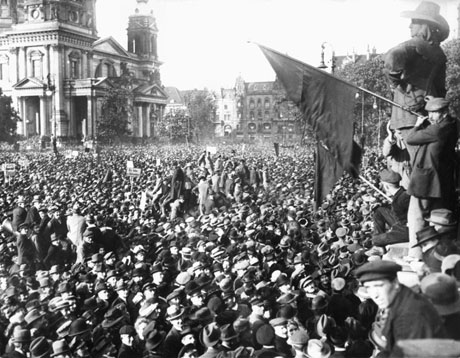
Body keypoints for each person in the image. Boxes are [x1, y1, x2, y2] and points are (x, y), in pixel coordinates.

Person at [384, 1, 449, 162]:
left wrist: (396, 83)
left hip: (407, 114)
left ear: (424, 26)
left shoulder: (412, 45)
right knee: (429, 160)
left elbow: (392, 58)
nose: (410, 27)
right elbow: (441, 89)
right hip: (430, 113)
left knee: (416, 164)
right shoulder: (439, 53)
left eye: (414, 22)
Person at [355, 260, 446, 357]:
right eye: (368, 287)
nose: (374, 295)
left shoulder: (413, 314)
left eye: (378, 285)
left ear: (395, 283)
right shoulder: (395, 303)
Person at [405, 97, 458, 260]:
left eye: (433, 113)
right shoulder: (453, 124)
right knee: (437, 218)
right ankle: (435, 253)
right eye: (429, 113)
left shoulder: (435, 131)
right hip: (440, 181)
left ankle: (416, 254)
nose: (431, 117)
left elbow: (410, 138)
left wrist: (417, 124)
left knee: (416, 216)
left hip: (425, 182)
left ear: (443, 113)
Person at [368, 169, 410, 255]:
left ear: (386, 186)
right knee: (379, 210)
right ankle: (380, 245)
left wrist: (393, 231)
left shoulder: (404, 198)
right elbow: (399, 211)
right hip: (400, 223)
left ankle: (380, 246)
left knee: (375, 240)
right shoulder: (401, 193)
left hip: (405, 230)